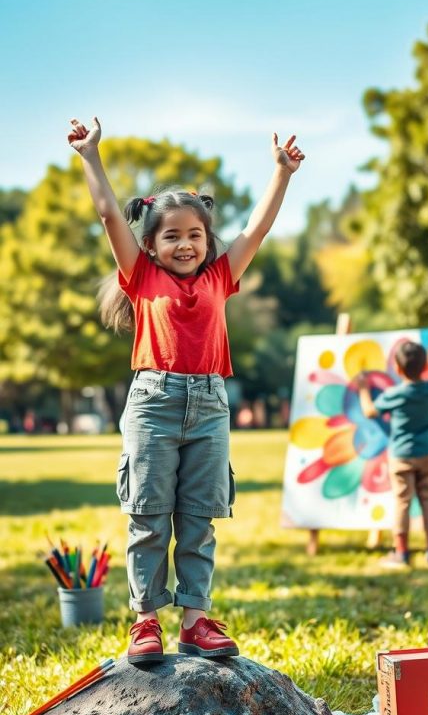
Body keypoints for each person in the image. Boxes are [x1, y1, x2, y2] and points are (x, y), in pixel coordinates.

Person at [68, 116, 304, 664]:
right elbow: (107, 213)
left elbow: (258, 229)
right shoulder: (141, 278)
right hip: (153, 402)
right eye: (171, 235)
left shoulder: (221, 277)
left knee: (199, 518)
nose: (185, 243)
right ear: (148, 246)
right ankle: (145, 621)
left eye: (195, 234)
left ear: (207, 240)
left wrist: (281, 174)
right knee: (149, 514)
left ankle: (195, 620)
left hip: (210, 406)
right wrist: (90, 156)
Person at [357, 341, 428, 569]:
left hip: (401, 455)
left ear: (397, 367)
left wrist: (363, 388)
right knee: (427, 499)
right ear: (424, 366)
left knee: (403, 501)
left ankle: (401, 553)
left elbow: (369, 411)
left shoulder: (395, 394)